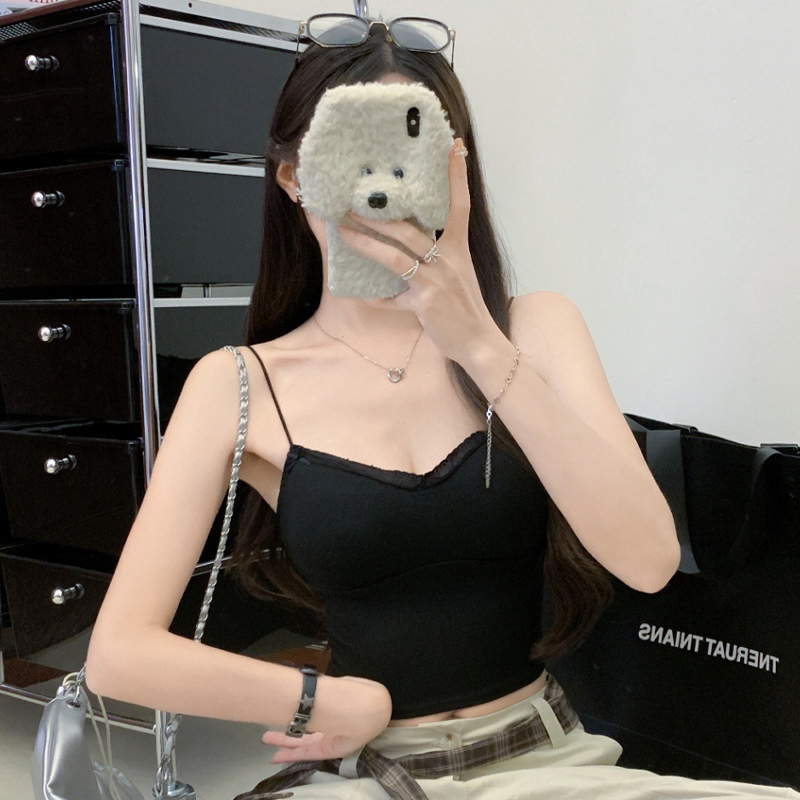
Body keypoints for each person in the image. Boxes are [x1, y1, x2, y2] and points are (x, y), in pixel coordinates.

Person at [85, 12, 800, 800]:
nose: (380, 190)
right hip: (370, 773)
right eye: (350, 154)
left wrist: (478, 343)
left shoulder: (534, 330)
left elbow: (649, 559)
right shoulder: (239, 384)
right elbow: (118, 653)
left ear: (456, 168)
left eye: (413, 151)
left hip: (545, 762)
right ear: (293, 179)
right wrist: (325, 701)